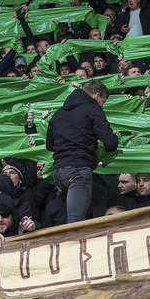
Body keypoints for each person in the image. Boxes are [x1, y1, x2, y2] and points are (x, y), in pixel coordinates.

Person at [46, 80, 118, 223]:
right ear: (97, 96)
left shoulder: (58, 114)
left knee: (97, 196)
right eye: (103, 102)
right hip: (78, 170)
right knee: (75, 223)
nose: (102, 105)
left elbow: (49, 145)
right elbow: (110, 143)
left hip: (58, 172)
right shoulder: (93, 109)